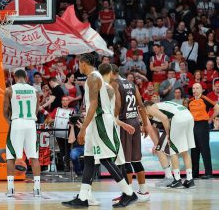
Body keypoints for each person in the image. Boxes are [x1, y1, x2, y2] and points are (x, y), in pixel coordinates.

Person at [62, 54, 137, 208]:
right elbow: (106, 94)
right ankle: (83, 198)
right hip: (96, 122)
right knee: (89, 159)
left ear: (83, 63)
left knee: (105, 159)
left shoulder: (93, 78)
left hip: (100, 121)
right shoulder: (97, 79)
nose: (78, 67)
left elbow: (94, 105)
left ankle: (129, 193)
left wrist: (82, 129)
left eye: (79, 64)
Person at [111, 64, 153, 202]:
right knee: (136, 160)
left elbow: (117, 106)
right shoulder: (130, 83)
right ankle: (144, 191)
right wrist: (145, 124)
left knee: (125, 161)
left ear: (111, 73)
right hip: (135, 121)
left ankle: (127, 194)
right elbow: (141, 105)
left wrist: (113, 119)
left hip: (124, 124)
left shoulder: (115, 84)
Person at [3, 69, 41, 197]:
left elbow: (5, 110)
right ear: (26, 77)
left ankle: (11, 188)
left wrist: (11, 122)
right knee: (34, 156)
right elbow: (36, 111)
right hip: (30, 123)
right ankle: (37, 189)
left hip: (17, 122)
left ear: (14, 77)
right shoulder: (35, 91)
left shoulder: (10, 90)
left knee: (11, 156)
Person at [144, 101, 196, 188]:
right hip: (189, 116)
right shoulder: (161, 106)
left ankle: (177, 180)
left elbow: (164, 118)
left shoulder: (150, 108)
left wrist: (168, 134)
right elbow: (155, 127)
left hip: (178, 119)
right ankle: (190, 179)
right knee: (184, 151)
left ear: (145, 108)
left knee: (173, 151)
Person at [188, 83, 219, 179]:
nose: (195, 90)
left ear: (201, 90)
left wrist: (210, 119)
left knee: (204, 149)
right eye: (193, 88)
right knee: (194, 150)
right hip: (192, 126)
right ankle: (195, 173)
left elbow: (217, 108)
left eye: (197, 88)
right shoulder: (190, 101)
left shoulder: (205, 99)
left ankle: (208, 173)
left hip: (203, 125)